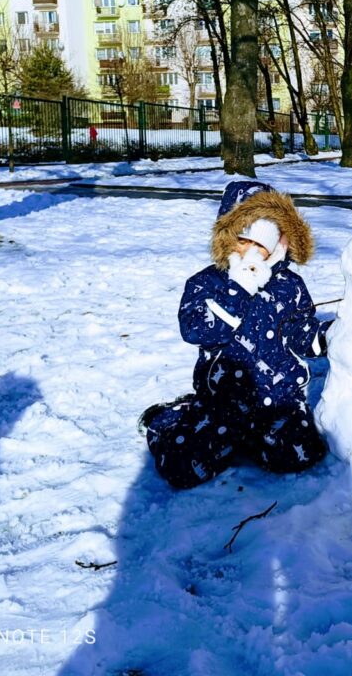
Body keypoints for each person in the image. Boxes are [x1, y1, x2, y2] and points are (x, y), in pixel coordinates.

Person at [142, 181, 331, 489]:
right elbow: (196, 329)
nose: (251, 253)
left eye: (262, 246)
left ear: (278, 248)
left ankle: (253, 441)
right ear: (228, 238)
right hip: (222, 402)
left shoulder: (289, 285)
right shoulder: (208, 283)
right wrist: (238, 291)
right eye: (244, 241)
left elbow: (301, 331)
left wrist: (330, 336)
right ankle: (170, 420)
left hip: (278, 400)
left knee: (301, 454)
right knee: (182, 469)